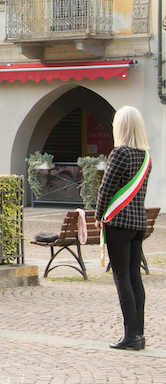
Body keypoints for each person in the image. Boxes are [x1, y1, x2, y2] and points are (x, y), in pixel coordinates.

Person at [94, 106, 151, 351]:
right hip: (139, 223)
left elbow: (106, 188)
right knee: (135, 279)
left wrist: (98, 216)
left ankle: (131, 336)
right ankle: (139, 334)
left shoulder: (120, 153)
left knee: (123, 279)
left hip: (119, 223)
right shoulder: (146, 155)